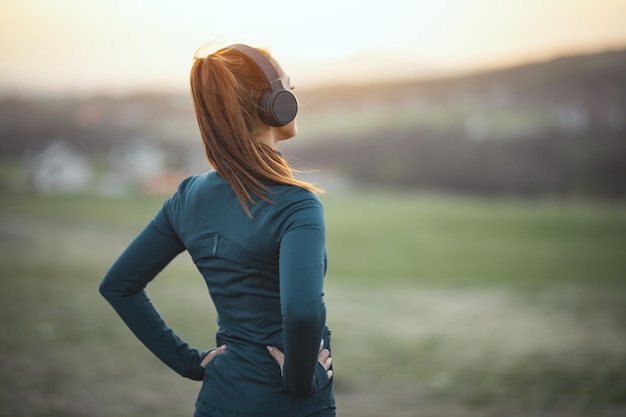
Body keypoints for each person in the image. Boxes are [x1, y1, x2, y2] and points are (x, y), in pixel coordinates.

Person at [99, 43, 335, 417]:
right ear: (274, 102)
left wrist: (190, 363)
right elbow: (302, 312)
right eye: (288, 85)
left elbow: (118, 285)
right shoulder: (297, 204)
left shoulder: (187, 196)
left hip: (218, 400)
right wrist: (302, 381)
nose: (294, 94)